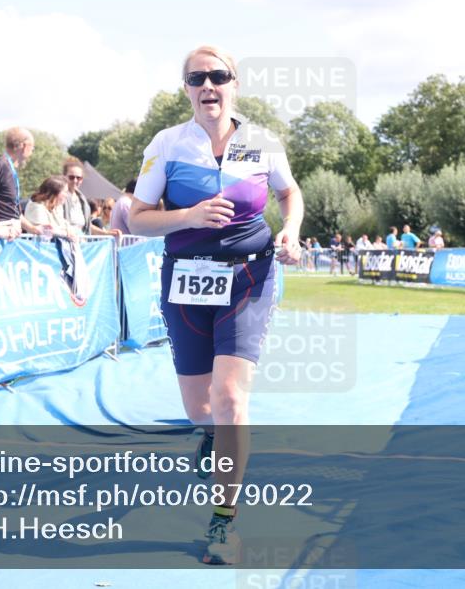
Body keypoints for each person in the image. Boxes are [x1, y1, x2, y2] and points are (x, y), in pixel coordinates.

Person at [127, 45, 303, 565]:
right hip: (185, 281)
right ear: (186, 89)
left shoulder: (263, 141)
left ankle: (224, 522)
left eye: (218, 76)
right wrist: (189, 216)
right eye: (196, 78)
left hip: (249, 275)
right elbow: (137, 217)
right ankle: (209, 434)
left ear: (234, 84)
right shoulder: (166, 144)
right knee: (200, 409)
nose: (208, 85)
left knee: (229, 398)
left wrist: (291, 231)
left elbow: (289, 193)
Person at [0, 126, 43, 236]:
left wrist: (33, 229)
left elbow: (13, 212)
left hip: (9, 235)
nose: (32, 152)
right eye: (32, 148)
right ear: (24, 146)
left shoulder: (9, 168)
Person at [63, 157, 122, 239]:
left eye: (79, 178)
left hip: (81, 243)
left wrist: (107, 233)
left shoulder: (82, 200)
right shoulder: (59, 198)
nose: (75, 180)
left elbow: (88, 226)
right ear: (64, 177)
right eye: (71, 177)